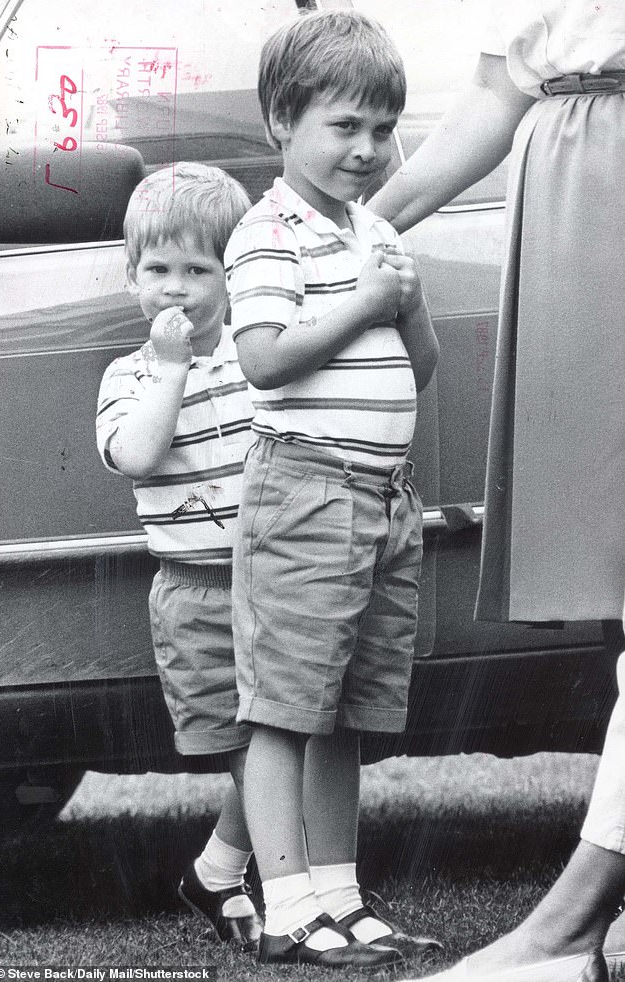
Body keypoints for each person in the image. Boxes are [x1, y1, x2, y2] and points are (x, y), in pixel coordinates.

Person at [367, 1, 625, 979]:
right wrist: (355, 224)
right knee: (611, 576)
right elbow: (498, 84)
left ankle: (564, 930)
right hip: (573, 204)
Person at [223, 8, 440, 970]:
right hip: (307, 494)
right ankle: (284, 905)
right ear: (282, 120)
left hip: (382, 497)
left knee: (348, 709)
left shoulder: (376, 228)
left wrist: (408, 299)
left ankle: (341, 899)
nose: (367, 148)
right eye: (343, 126)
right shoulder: (267, 232)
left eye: (383, 128)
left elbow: (418, 366)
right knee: (285, 707)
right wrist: (363, 301)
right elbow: (266, 360)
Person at [95, 162, 262, 951]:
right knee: (248, 753)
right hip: (196, 593)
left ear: (232, 280)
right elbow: (136, 454)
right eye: (157, 270)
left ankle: (221, 872)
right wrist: (170, 370)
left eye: (199, 270)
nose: (177, 289)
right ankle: (275, 883)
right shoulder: (129, 375)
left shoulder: (257, 363)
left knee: (285, 743)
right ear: (132, 279)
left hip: (271, 581)